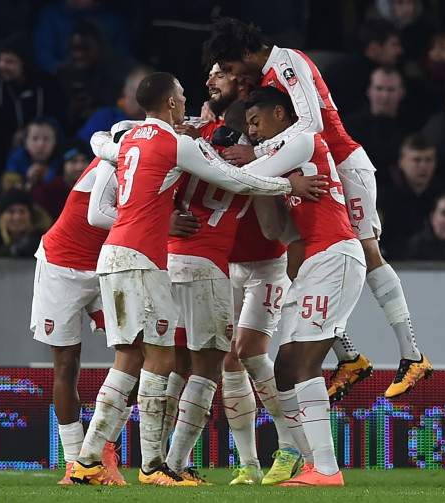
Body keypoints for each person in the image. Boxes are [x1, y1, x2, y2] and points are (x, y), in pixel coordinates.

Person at [69, 72, 324, 486]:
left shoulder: (132, 140)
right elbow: (238, 182)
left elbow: (102, 140)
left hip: (133, 256)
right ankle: (161, 465)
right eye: (182, 96)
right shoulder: (185, 147)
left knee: (132, 359)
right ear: (171, 102)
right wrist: (284, 182)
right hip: (187, 264)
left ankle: (88, 459)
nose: (188, 102)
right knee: (188, 364)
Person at [203, 17, 432, 401]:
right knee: (300, 254)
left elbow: (310, 123)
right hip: (309, 171)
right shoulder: (264, 83)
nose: (230, 75)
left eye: (229, 67)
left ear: (246, 54)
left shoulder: (287, 62)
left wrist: (256, 152)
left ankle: (412, 355)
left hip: (342, 164)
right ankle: (349, 357)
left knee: (365, 250)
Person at [212, 85, 366, 486]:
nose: (254, 131)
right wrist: (281, 187)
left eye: (256, 120)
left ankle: (327, 469)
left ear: (280, 112)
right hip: (316, 261)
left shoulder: (302, 139)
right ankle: (308, 461)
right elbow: (277, 227)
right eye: (248, 125)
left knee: (304, 364)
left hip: (335, 254)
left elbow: (245, 176)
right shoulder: (283, 161)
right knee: (283, 368)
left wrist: (250, 163)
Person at [183, 64, 303, 486]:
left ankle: (291, 446)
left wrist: (287, 183)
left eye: (219, 73)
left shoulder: (275, 146)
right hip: (226, 264)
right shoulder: (203, 136)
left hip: (268, 262)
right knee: (229, 360)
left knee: (250, 351)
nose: (209, 79)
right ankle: (248, 463)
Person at [30, 155, 131, 485]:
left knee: (139, 354)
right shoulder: (110, 158)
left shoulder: (160, 160)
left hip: (107, 266)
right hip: (61, 265)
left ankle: (102, 451)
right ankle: (74, 462)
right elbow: (99, 214)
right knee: (67, 363)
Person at [0, 32, 65, 179]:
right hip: (0, 157)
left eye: (10, 62)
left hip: (46, 156)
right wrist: (11, 138)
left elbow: (58, 122)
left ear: (25, 63)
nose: (2, 66)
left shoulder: (48, 85)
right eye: (0, 60)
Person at [320, 18, 403, 116]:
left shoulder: (393, 69)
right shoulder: (344, 75)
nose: (399, 50)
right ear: (374, 48)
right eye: (393, 45)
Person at [342, 66, 411, 185]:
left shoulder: (409, 128)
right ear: (369, 91)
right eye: (379, 89)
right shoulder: (349, 127)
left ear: (401, 93)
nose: (384, 96)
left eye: (390, 90)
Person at [379, 134, 444, 259]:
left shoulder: (441, 195)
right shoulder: (384, 198)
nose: (423, 166)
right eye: (417, 160)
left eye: (428, 160)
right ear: (402, 163)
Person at [0, 187, 51, 258]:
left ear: (30, 216)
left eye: (22, 211)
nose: (17, 217)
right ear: (1, 217)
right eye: (11, 211)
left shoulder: (44, 244)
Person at [32, 141, 91, 220]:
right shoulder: (45, 193)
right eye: (73, 161)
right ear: (62, 164)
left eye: (84, 161)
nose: (79, 167)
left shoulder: (94, 191)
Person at [5, 118, 64, 191]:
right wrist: (29, 183)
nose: (40, 144)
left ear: (55, 141)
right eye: (35, 138)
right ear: (25, 142)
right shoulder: (15, 159)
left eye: (46, 139)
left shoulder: (62, 160)